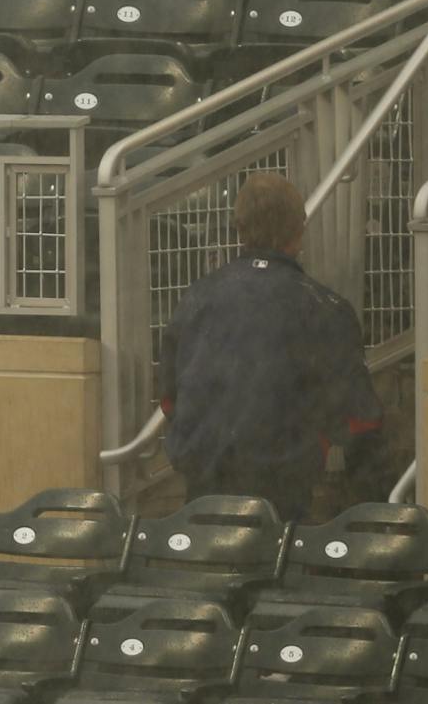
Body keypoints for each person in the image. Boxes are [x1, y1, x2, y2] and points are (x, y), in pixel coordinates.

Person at [158, 173, 387, 521]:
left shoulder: (197, 299)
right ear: (299, 230)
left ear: (238, 227)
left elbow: (169, 399)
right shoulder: (325, 308)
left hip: (202, 498)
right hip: (282, 503)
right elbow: (360, 422)